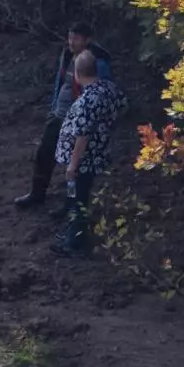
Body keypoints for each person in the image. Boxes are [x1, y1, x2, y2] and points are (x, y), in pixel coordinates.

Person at [22, 24, 114, 208]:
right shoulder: (67, 55)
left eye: (76, 38)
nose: (71, 42)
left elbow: (100, 93)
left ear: (87, 40)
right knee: (45, 154)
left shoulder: (97, 62)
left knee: (73, 166)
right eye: (70, 37)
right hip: (59, 115)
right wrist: (54, 106)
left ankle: (69, 204)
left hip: (78, 121)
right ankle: (37, 194)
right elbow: (61, 82)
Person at [52, 48, 122, 253]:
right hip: (98, 152)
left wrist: (72, 165)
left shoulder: (87, 101)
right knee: (80, 197)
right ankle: (74, 234)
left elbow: (81, 137)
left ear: (77, 73)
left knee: (77, 200)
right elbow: (122, 107)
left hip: (84, 159)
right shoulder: (109, 89)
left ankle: (75, 243)